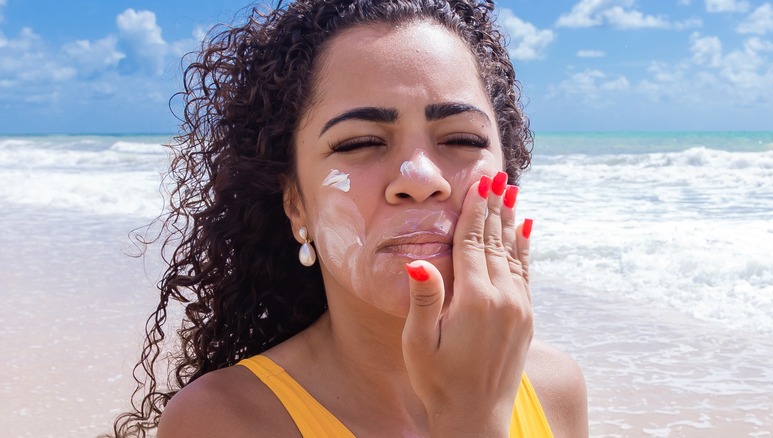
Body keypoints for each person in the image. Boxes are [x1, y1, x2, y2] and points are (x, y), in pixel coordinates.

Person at [110, 0, 588, 436]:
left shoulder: (556, 387)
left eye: (462, 139)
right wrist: (469, 416)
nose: (420, 177)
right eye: (359, 143)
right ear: (295, 202)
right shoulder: (223, 420)